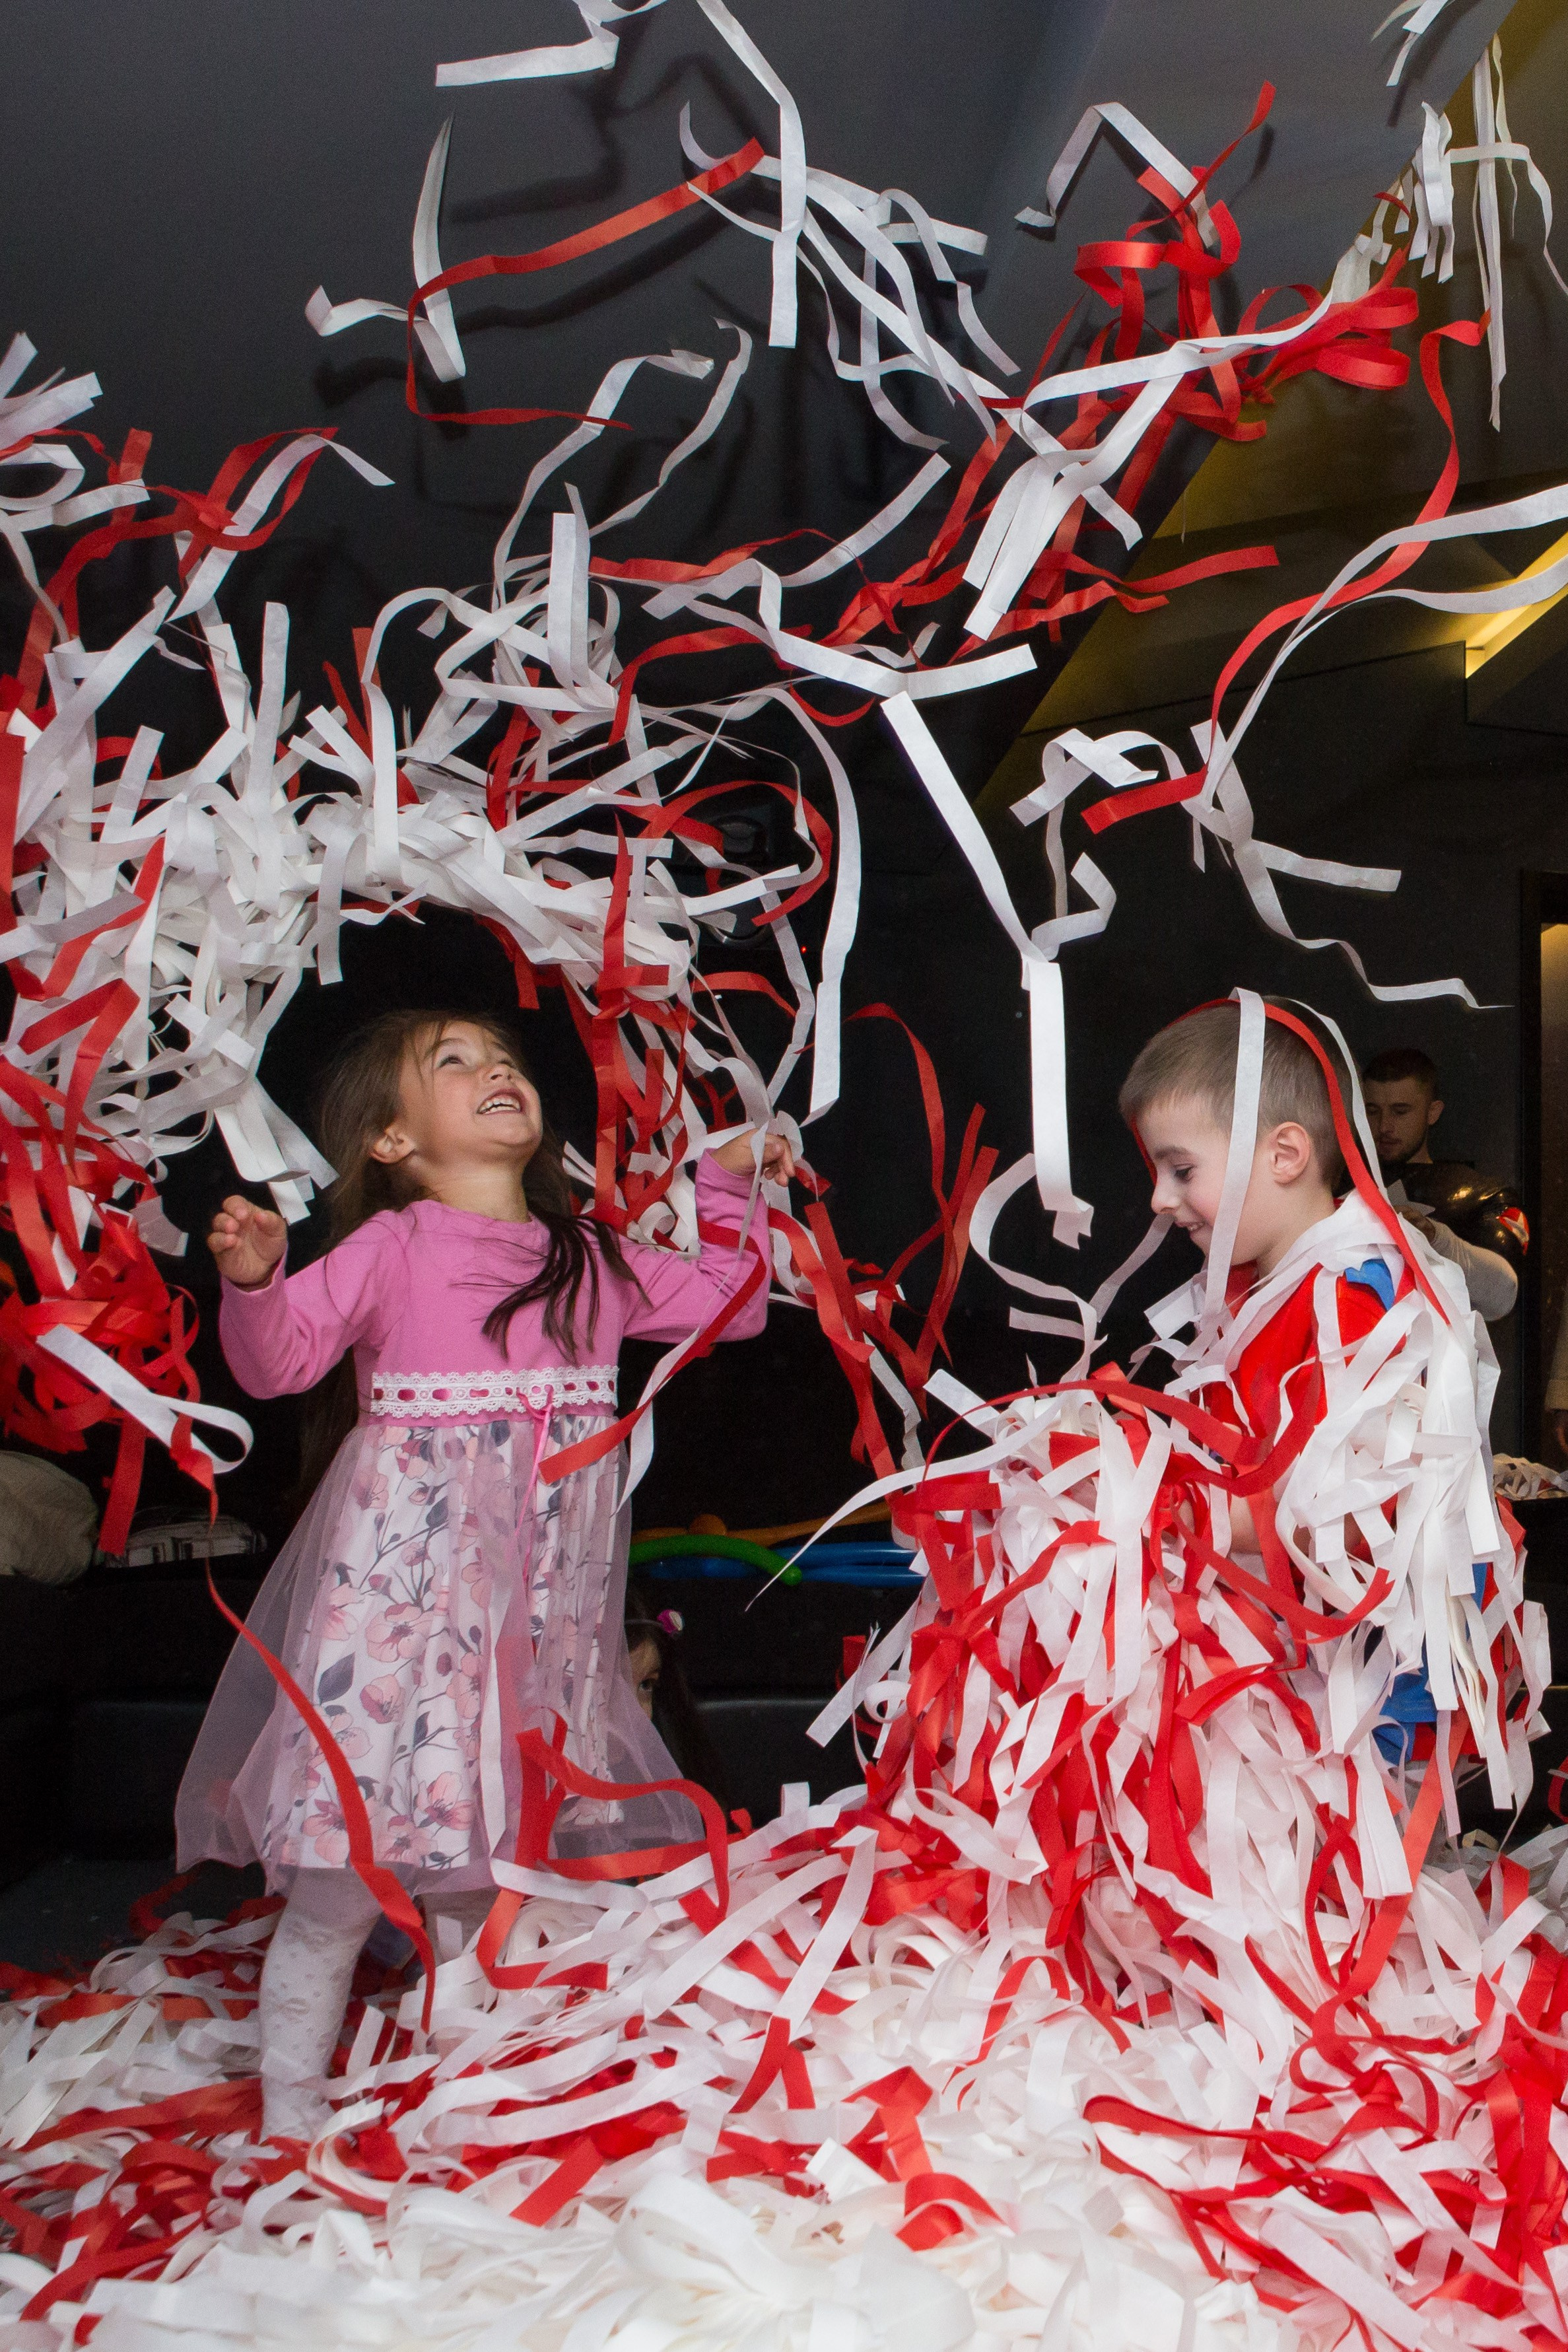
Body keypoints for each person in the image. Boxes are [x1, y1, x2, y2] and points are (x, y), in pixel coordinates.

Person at [175, 1008, 792, 2141]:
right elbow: (280, 1365)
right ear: (392, 1141)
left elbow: (730, 1305)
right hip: (405, 1623)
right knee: (346, 1872)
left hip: (534, 1630)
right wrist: (256, 1283)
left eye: (501, 1057)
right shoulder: (394, 1247)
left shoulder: (589, 1256)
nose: (495, 1069)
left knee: (491, 1868)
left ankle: (461, 2106)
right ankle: (290, 2118)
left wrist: (725, 1185)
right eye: (451, 1063)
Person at [1360, 1045, 1526, 1323]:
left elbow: (1503, 1295)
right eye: (1372, 1111)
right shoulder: (1333, 1185)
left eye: (1400, 1111)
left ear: (1433, 1112)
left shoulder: (1483, 1197)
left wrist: (1436, 1239)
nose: (1385, 1126)